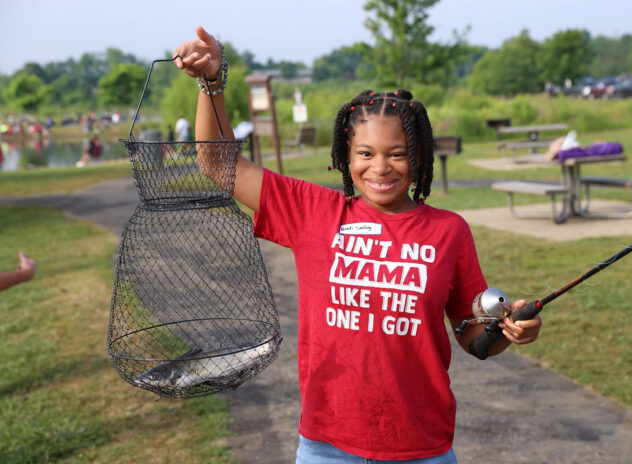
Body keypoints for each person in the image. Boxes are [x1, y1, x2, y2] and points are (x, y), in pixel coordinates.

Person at [174, 26, 542, 463]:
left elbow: (471, 334)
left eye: (398, 153)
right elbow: (218, 163)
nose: (380, 167)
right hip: (327, 447)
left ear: (419, 157)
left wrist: (507, 331)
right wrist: (211, 83)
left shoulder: (449, 232)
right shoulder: (313, 212)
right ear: (346, 158)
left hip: (421, 447)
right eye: (366, 154)